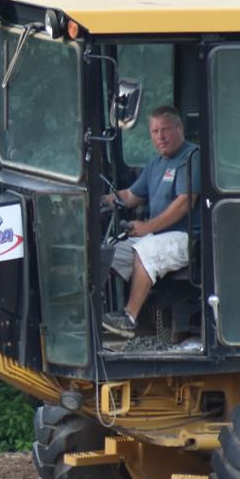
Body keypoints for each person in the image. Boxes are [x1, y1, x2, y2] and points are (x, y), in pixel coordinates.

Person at [101, 105, 199, 338]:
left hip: (187, 237)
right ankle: (99, 317)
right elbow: (129, 196)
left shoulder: (192, 157)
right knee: (109, 253)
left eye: (165, 130)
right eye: (155, 132)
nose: (160, 137)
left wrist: (147, 227)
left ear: (179, 128)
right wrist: (99, 201)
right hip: (158, 235)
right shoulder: (155, 163)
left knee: (146, 249)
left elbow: (185, 202)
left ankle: (129, 319)